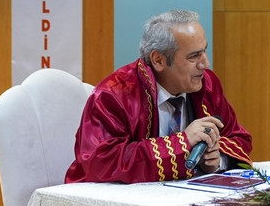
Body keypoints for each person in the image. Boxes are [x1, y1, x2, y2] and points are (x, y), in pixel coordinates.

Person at [65, 10, 252, 184]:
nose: (205, 63)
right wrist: (183, 142)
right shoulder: (113, 95)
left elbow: (239, 138)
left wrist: (217, 159)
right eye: (194, 56)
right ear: (158, 60)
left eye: (204, 50)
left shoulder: (207, 84)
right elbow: (101, 162)